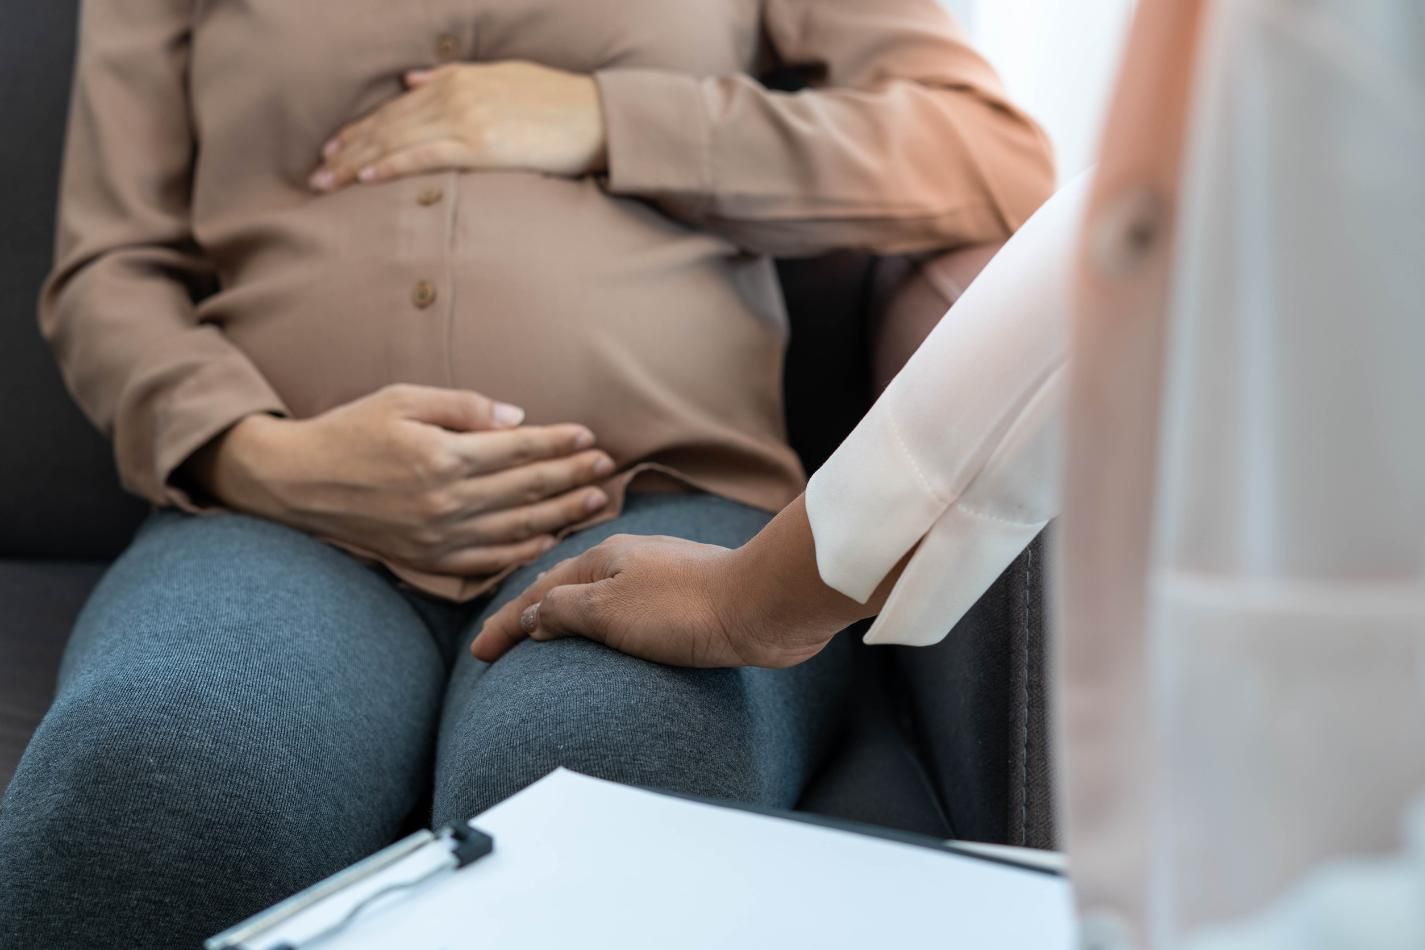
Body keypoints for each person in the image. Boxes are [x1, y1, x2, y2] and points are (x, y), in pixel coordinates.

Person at [0, 0, 1056, 945]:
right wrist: (259, 452)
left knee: (605, 793)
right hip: (276, 519)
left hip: (660, 510)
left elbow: (995, 156)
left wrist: (605, 118)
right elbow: (110, 268)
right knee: (148, 788)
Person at [476, 0, 1425, 946]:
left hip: (674, 484)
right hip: (333, 532)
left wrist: (612, 117)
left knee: (587, 760)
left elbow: (1057, 182)